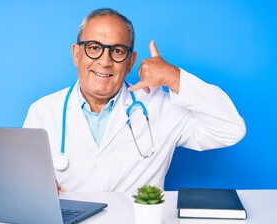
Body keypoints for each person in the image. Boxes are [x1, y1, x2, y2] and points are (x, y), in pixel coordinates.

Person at [23, 8, 246, 192]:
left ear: (131, 62)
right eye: (94, 48)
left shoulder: (160, 106)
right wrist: (35, 189)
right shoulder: (42, 112)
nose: (105, 61)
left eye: (118, 51)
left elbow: (231, 130)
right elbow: (25, 183)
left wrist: (175, 77)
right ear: (76, 54)